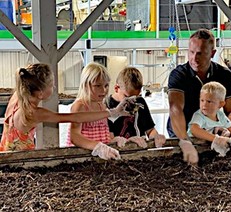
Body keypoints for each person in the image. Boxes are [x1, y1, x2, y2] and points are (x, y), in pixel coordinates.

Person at [0, 63, 135, 160]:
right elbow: (75, 117)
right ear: (41, 94)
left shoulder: (18, 96)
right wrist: (112, 112)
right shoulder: (34, 112)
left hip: (5, 151)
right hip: (20, 159)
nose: (54, 87)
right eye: (51, 85)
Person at [167, 28, 231, 165]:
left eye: (200, 54)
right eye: (191, 52)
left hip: (211, 130)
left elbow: (230, 110)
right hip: (182, 129)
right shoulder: (179, 75)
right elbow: (175, 109)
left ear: (212, 53)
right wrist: (185, 141)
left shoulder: (224, 75)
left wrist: (226, 129)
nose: (194, 58)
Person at [66, 62, 127, 150]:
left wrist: (114, 140)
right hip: (81, 157)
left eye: (106, 85)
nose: (104, 90)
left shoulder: (102, 106)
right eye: (98, 86)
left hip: (98, 158)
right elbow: (75, 137)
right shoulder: (80, 106)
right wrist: (97, 147)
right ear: (86, 85)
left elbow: (102, 134)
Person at [105, 66, 166, 148]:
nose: (132, 101)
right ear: (116, 88)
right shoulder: (106, 105)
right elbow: (108, 138)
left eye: (135, 97)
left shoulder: (140, 102)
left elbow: (150, 130)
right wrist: (127, 142)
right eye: (127, 97)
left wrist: (156, 137)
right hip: (118, 152)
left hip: (140, 150)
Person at [187, 82, 231, 157]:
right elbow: (194, 129)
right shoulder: (199, 116)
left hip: (207, 149)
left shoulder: (221, 115)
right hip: (192, 148)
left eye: (209, 101)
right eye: (202, 100)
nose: (204, 105)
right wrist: (217, 139)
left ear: (221, 104)